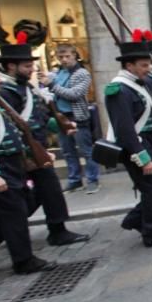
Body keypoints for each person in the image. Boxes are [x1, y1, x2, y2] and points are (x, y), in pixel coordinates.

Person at [0, 34, 89, 247]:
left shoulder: (26, 88)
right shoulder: (4, 92)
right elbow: (9, 126)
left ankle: (57, 230)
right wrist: (30, 151)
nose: (31, 70)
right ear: (11, 66)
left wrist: (60, 126)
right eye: (27, 66)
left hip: (37, 148)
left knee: (49, 191)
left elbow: (40, 117)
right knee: (24, 201)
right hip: (22, 152)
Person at [0, 56, 56, 274]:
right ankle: (24, 261)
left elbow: (15, 134)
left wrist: (32, 158)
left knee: (23, 207)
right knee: (14, 214)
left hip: (14, 166)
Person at [104, 32, 152, 248]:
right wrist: (143, 159)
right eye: (144, 65)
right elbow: (125, 130)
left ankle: (136, 219)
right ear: (130, 65)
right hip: (137, 146)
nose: (148, 69)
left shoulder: (140, 83)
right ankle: (151, 233)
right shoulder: (118, 90)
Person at [42, 43, 100, 194]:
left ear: (74, 55)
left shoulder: (82, 73)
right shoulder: (57, 73)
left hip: (77, 117)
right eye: (61, 57)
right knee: (67, 151)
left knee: (86, 150)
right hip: (61, 118)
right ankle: (75, 180)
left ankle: (92, 180)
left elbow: (74, 94)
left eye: (67, 56)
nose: (64, 60)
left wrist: (52, 86)